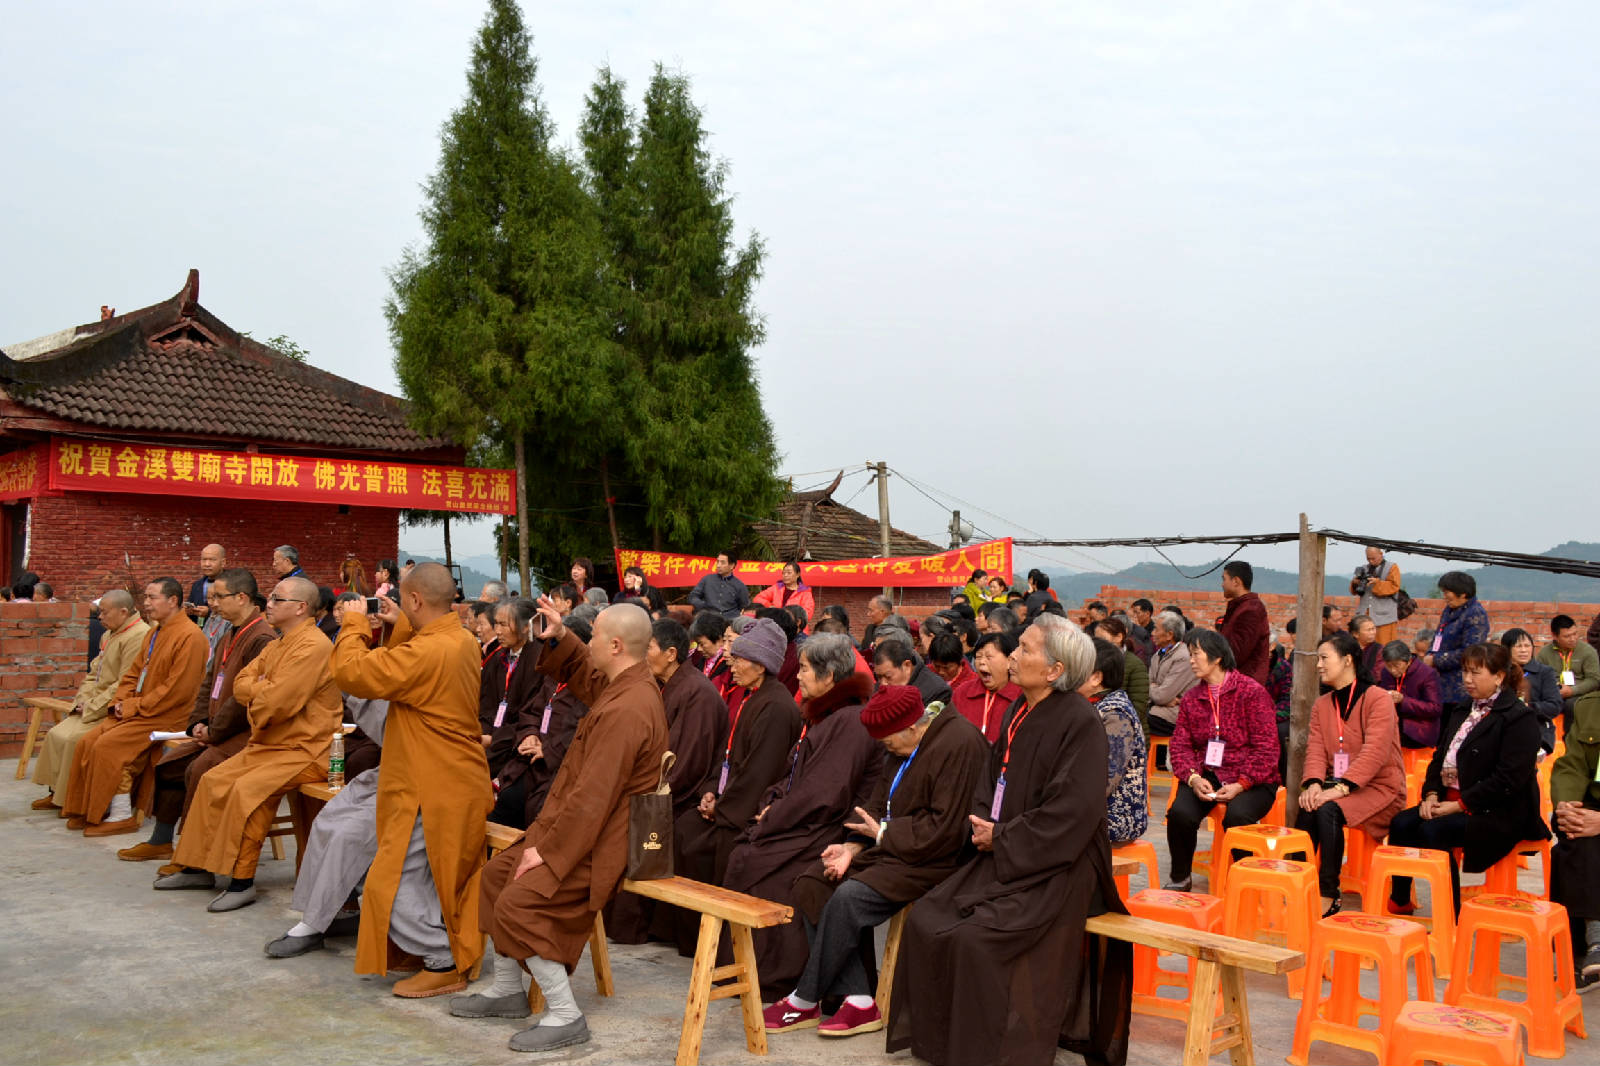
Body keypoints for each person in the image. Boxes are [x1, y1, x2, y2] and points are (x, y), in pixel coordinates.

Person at [886, 615, 1131, 1065]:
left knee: (977, 941)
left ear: (1055, 670)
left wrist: (1003, 836)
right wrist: (982, 822)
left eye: (1026, 649)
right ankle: (943, 1044)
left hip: (1056, 863)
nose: (1013, 656)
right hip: (1000, 850)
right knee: (928, 918)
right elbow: (992, 772)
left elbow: (1071, 812)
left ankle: (991, 1050)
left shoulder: (1079, 721)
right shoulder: (1021, 707)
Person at [463, 600, 668, 1053]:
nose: (589, 641)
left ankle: (565, 1014)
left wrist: (550, 853)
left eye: (593, 635)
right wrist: (560, 635)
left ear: (615, 645)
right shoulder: (625, 683)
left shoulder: (629, 709)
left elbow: (594, 799)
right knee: (497, 877)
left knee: (520, 902)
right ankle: (508, 991)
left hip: (601, 841)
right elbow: (590, 677)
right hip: (574, 827)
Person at [767, 686, 989, 1037]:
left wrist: (883, 833)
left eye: (888, 744)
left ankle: (805, 999)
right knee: (813, 882)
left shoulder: (959, 743)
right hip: (892, 847)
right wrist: (851, 848)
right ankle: (859, 999)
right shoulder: (903, 743)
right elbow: (873, 804)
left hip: (936, 857)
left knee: (849, 898)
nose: (887, 751)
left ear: (913, 727)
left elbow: (945, 829)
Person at [330, 562, 491, 999]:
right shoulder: (457, 639)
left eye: (404, 600)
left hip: (434, 785)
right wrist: (400, 623)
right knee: (424, 877)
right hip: (448, 778)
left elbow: (353, 674)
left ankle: (444, 957)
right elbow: (406, 658)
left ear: (416, 600)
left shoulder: (427, 652)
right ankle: (441, 950)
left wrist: (353, 626)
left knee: (391, 879)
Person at [155, 576, 343, 910]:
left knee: (248, 790)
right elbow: (242, 682)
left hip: (306, 748)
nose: (267, 602)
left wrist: (261, 688)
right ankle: (199, 867)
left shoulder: (315, 646)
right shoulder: (277, 644)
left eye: (276, 598)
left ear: (301, 607)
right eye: (270, 597)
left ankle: (242, 882)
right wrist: (262, 687)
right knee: (212, 780)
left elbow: (279, 702)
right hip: (270, 743)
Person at [722, 633, 883, 997]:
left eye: (807, 669)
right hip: (805, 820)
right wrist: (771, 802)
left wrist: (774, 816)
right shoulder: (826, 716)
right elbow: (793, 775)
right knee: (743, 854)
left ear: (829, 678)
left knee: (756, 863)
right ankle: (746, 968)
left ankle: (778, 976)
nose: (799, 676)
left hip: (828, 830)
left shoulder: (852, 720)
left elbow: (825, 793)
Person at [122, 568, 274, 863]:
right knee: (170, 764)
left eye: (218, 596)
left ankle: (196, 857)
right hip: (215, 729)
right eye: (212, 596)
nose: (212, 603)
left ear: (241, 597)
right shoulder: (229, 630)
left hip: (243, 733)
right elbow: (209, 682)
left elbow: (247, 699)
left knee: (200, 769)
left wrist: (214, 731)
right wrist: (198, 724)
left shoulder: (261, 637)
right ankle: (161, 841)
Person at [1387, 642, 1548, 915]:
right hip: (1451, 799)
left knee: (1432, 831)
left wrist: (1461, 805)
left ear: (1498, 677)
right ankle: (1400, 901)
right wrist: (1432, 795)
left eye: (1475, 673)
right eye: (1465, 672)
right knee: (1402, 823)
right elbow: (1439, 759)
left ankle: (1451, 912)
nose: (1467, 680)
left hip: (1497, 808)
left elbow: (1509, 779)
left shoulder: (1518, 717)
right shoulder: (1463, 710)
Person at [606, 617, 730, 944]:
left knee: (630, 826)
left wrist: (645, 796)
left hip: (681, 795)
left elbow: (687, 763)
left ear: (671, 653)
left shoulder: (698, 694)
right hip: (658, 786)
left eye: (649, 648)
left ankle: (637, 926)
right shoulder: (668, 686)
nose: (644, 655)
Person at [61, 578, 209, 835]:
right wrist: (120, 701)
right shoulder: (155, 632)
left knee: (109, 746)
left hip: (168, 715)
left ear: (173, 601)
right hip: (140, 709)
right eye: (147, 598)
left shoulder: (191, 637)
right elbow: (133, 674)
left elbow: (176, 690)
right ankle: (90, 809)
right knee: (88, 741)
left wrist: (133, 706)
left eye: (152, 598)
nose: (146, 604)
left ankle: (121, 815)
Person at [674, 618, 802, 890]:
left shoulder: (777, 707)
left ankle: (701, 929)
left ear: (760, 665)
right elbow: (728, 756)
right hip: (727, 799)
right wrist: (710, 791)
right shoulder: (752, 695)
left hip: (744, 813)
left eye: (740, 658)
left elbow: (759, 774)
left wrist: (721, 808)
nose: (731, 663)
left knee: (692, 842)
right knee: (682, 826)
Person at [265, 695, 390, 958]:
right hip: (391, 767)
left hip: (427, 776)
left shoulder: (440, 663)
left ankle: (313, 924)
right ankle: (327, 912)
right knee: (327, 820)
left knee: (350, 833)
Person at [1295, 631, 1406, 916]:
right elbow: (1316, 748)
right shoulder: (1323, 704)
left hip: (1381, 788)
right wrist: (1314, 784)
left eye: (1323, 658)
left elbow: (1376, 752)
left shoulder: (1378, 699)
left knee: (1328, 810)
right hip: (1342, 786)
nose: (1318, 665)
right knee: (1308, 807)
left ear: (1347, 660)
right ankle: (1299, 883)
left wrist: (1341, 788)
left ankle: (1328, 892)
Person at [1163, 628, 1280, 891]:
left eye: (1196, 654)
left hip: (1254, 779)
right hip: (1208, 774)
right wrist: (1193, 777)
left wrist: (1242, 783)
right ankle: (1180, 877)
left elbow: (1267, 748)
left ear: (1216, 658)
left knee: (1237, 816)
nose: (1191, 660)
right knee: (1180, 813)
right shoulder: (1193, 698)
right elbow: (1180, 744)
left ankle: (1248, 882)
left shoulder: (1251, 692)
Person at [30, 590, 148, 812]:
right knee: (56, 734)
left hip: (112, 707)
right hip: (93, 703)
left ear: (123, 612)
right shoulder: (109, 634)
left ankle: (71, 799)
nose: (99, 617)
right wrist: (83, 700)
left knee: (75, 739)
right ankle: (56, 792)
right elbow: (94, 673)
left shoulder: (138, 635)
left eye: (104, 612)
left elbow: (124, 683)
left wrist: (94, 706)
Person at [480, 599, 557, 825]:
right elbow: (486, 706)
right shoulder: (496, 659)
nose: (498, 631)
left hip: (516, 739)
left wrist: (493, 739)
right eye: (496, 624)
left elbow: (532, 711)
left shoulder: (539, 659)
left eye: (505, 625)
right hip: (492, 735)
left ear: (525, 627)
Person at [1549, 681, 1600, 988]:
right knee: (1572, 833)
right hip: (1593, 802)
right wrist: (1566, 805)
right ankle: (1580, 951)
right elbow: (1571, 766)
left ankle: (1592, 943)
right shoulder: (1590, 706)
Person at [1085, 637, 1149, 845]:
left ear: (1096, 678)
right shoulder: (1094, 706)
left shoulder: (1115, 715)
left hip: (1116, 816)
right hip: (1092, 808)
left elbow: (1106, 779)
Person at [1425, 572, 1490, 720]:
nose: (1445, 596)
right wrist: (1430, 654)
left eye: (1447, 592)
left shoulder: (1476, 614)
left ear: (1463, 594)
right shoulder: (1449, 611)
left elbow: (1471, 652)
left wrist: (1437, 660)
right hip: (1440, 683)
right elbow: (1438, 637)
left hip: (1459, 688)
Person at [949, 631, 1021, 743]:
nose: (981, 662)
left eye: (989, 657)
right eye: (978, 657)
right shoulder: (963, 692)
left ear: (1009, 661)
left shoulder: (1021, 697)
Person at [1538, 614, 1600, 734]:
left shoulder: (1588, 651)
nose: (1573, 639)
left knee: (1572, 705)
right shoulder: (1544, 653)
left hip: (1580, 694)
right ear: (1555, 636)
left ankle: (1570, 742)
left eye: (1575, 634)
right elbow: (1538, 677)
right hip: (1554, 693)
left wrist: (1572, 691)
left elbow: (1594, 680)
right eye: (1567, 636)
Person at [1375, 641, 1443, 749]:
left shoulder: (1427, 674)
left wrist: (1403, 700)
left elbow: (1435, 708)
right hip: (1391, 726)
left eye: (1397, 665)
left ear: (1408, 661)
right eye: (1389, 666)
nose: (1393, 670)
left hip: (1417, 731)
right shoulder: (1385, 672)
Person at [1506, 627, 1564, 754]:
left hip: (1537, 728)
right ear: (1507, 649)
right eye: (1518, 646)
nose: (1524, 650)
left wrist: (1528, 707)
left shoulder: (1544, 672)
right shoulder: (1500, 673)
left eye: (1527, 646)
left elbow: (1554, 706)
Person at [1216, 561, 1271, 685]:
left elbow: (1236, 654)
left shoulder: (1250, 610)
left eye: (1224, 579)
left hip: (1245, 685)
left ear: (1235, 581)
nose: (1222, 584)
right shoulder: (1241, 607)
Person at [1092, 617, 1150, 731]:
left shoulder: (1135, 664)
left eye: (1102, 639)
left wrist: (1116, 722)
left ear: (1119, 637)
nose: (1098, 643)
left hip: (1126, 730)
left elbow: (1139, 705)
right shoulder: (1097, 660)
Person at [1147, 610, 1197, 738]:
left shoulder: (1183, 657)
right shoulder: (1157, 655)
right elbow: (1149, 690)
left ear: (1169, 635)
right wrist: (1158, 693)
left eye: (1156, 630)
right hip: (1158, 709)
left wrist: (1154, 690)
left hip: (1175, 715)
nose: (1152, 633)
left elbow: (1162, 696)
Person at [873, 638, 952, 708]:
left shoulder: (936, 691)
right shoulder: (876, 690)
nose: (883, 684)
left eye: (888, 676)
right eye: (879, 677)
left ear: (907, 665)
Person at [1350, 546, 1403, 644]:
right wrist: (1355, 582)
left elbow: (1394, 587)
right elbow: (1355, 590)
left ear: (1381, 554)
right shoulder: (1364, 568)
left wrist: (1377, 583)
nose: (1371, 561)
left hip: (1384, 618)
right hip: (1364, 615)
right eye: (1368, 558)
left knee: (1384, 648)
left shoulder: (1392, 567)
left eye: (1373, 558)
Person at [186, 543, 229, 658]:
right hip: (200, 639)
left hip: (223, 639)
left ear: (223, 562)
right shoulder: (197, 585)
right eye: (204, 560)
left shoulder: (232, 584)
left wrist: (209, 613)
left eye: (212, 560)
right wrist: (189, 611)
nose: (207, 564)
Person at [685, 552, 748, 617]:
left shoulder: (740, 585)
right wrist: (703, 605)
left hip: (729, 621)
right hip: (708, 617)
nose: (718, 565)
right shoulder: (707, 579)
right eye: (717, 562)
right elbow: (692, 596)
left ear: (732, 566)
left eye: (722, 562)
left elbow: (744, 607)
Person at [1350, 614, 1381, 680]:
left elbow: (1377, 674)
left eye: (1373, 629)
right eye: (1368, 630)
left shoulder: (1379, 649)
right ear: (1356, 634)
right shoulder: (1347, 648)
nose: (1373, 632)